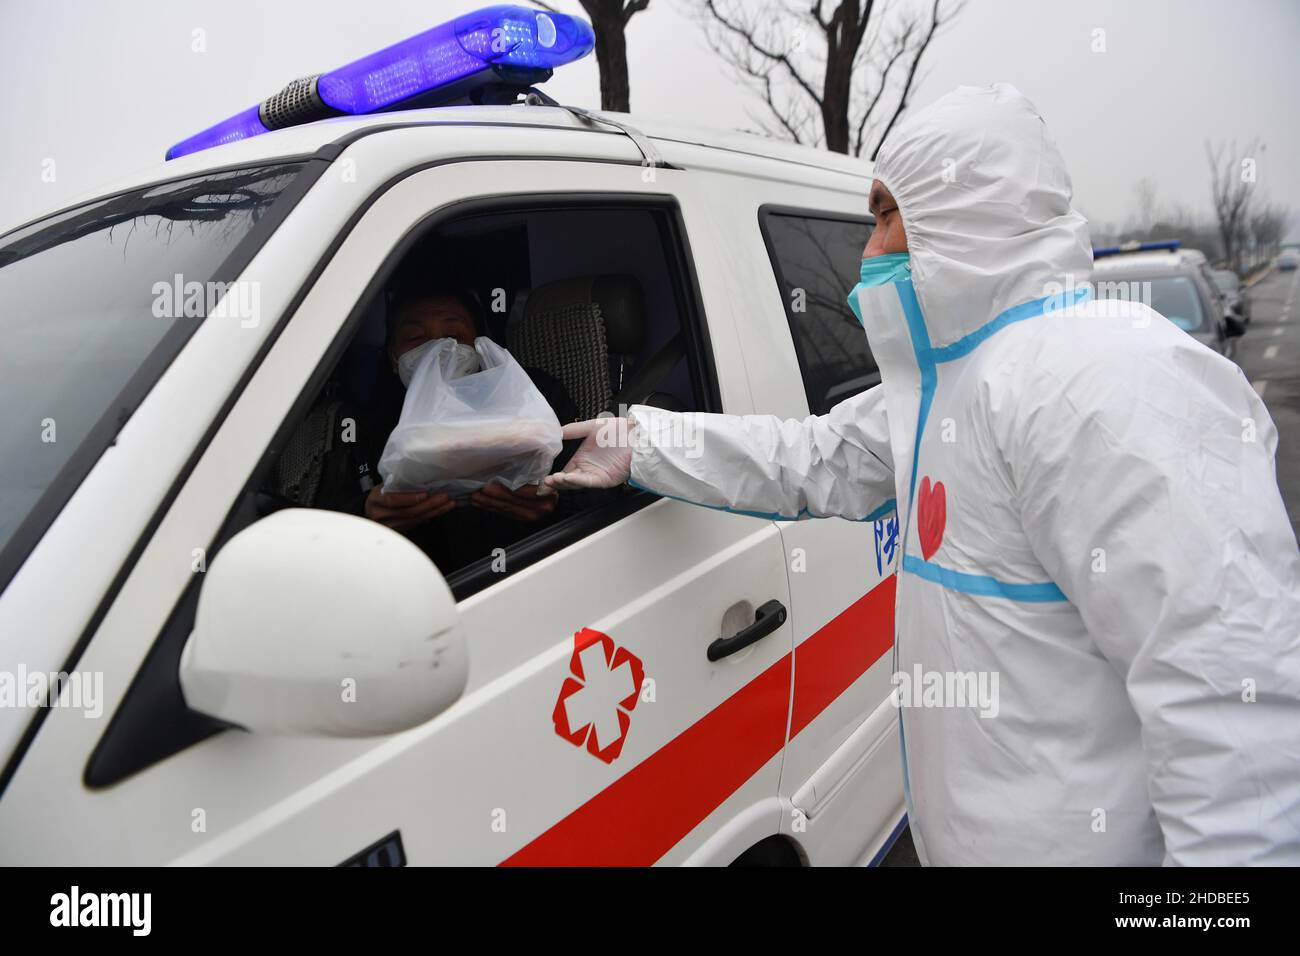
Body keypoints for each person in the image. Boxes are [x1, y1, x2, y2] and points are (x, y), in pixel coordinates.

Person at [543, 84, 1300, 866]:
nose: (867, 248)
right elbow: (812, 456)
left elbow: (1235, 712)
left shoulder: (1107, 382)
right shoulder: (954, 386)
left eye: (884, 214)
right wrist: (634, 441)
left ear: (963, 215)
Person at [269, 285, 579, 573]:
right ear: (393, 358)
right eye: (417, 338)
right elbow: (323, 530)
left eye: (454, 334)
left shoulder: (533, 397)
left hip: (530, 567)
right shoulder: (359, 425)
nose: (439, 349)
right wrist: (368, 516)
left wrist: (553, 505)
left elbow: (588, 488)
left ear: (479, 345)